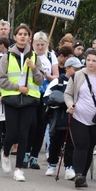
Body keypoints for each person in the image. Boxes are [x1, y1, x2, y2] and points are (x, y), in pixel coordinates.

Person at [0, 24, 45, 182]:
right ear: (15, 37)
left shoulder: (34, 57)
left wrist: (34, 69)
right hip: (12, 98)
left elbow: (40, 81)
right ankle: (5, 153)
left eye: (25, 34)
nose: (23, 36)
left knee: (24, 134)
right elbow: (0, 79)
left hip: (29, 100)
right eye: (20, 34)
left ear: (29, 37)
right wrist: (17, 87)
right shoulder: (7, 56)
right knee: (11, 133)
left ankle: (19, 169)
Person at [63, 48, 96, 188]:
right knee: (81, 145)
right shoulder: (77, 76)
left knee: (90, 147)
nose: (90, 63)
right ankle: (78, 174)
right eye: (88, 60)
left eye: (94, 61)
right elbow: (68, 94)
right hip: (78, 116)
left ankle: (83, 176)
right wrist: (70, 105)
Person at [24, 32, 58, 170]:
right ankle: (25, 153)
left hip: (45, 93)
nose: (40, 47)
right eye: (37, 44)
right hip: (32, 93)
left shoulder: (51, 56)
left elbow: (56, 76)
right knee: (30, 124)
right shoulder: (30, 55)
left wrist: (46, 75)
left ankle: (34, 156)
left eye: (42, 44)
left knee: (41, 125)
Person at [44, 56, 80, 179]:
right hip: (59, 118)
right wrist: (62, 101)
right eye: (75, 69)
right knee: (55, 142)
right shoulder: (58, 81)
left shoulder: (80, 82)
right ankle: (52, 164)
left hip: (75, 117)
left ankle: (69, 166)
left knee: (71, 143)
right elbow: (46, 97)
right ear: (67, 68)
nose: (77, 72)